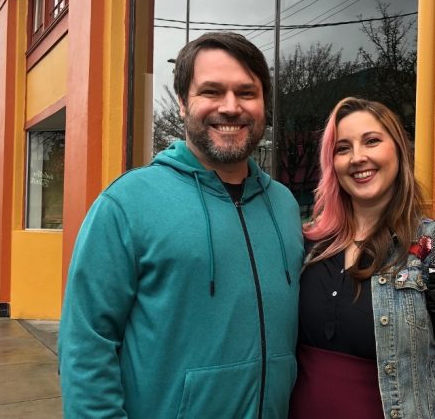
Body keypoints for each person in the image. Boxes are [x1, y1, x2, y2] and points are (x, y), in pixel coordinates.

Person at [58, 32, 304, 419]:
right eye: (211, 91)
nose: (230, 107)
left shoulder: (285, 206)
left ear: (264, 104)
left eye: (246, 92)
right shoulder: (127, 204)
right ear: (182, 103)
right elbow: (87, 347)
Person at [289, 97, 435, 419]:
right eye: (343, 148)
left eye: (372, 141)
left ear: (399, 149)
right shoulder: (308, 246)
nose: (358, 158)